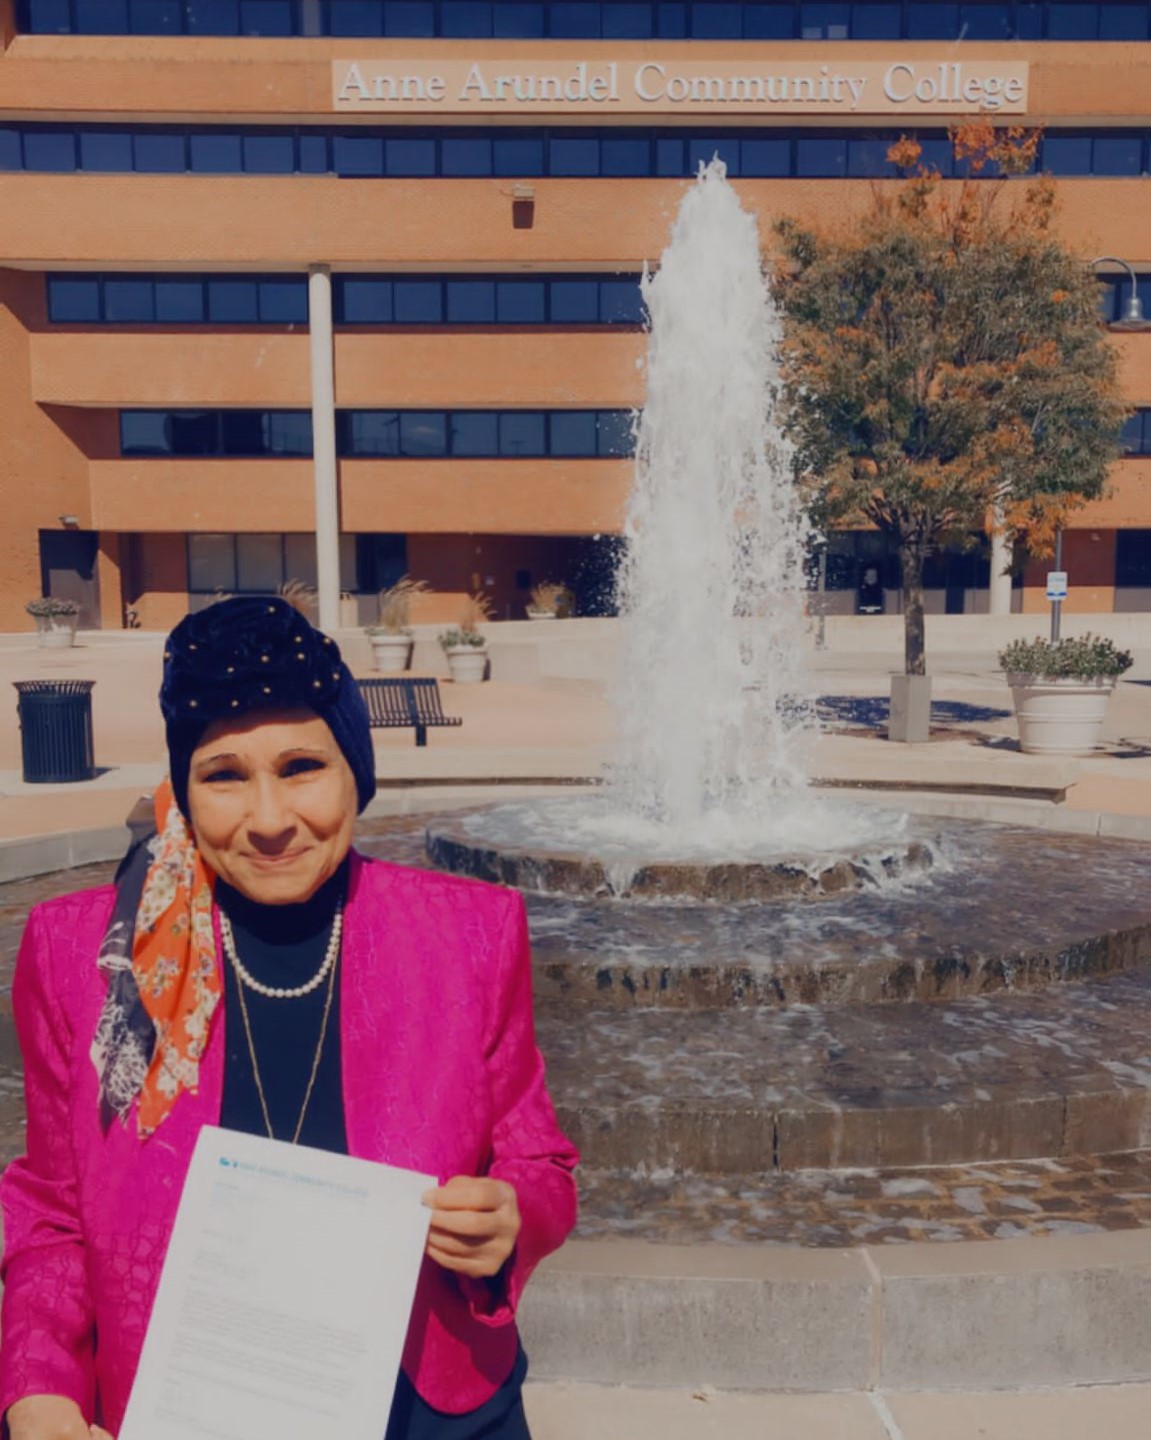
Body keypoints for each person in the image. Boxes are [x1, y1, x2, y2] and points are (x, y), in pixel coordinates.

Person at [0, 596, 578, 1440]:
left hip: (422, 1399)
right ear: (184, 791)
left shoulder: (469, 934)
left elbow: (539, 1157)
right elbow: (51, 1209)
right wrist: (40, 1391)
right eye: (225, 775)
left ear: (355, 773)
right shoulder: (86, 956)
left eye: (302, 766)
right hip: (190, 1394)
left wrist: (512, 1215)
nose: (270, 822)